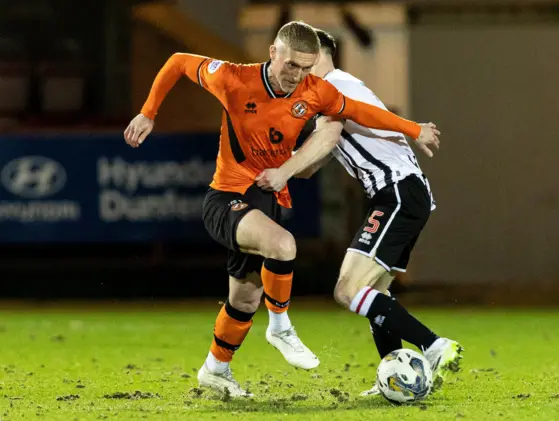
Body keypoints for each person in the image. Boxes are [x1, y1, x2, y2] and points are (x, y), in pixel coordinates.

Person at [123, 21, 441, 398]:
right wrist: (148, 112)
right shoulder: (232, 78)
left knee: (244, 298)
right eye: (291, 65)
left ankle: (215, 369)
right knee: (283, 245)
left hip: (266, 201)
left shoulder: (315, 91)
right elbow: (177, 61)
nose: (297, 76)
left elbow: (361, 112)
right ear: (273, 52)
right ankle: (280, 327)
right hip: (227, 197)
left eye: (306, 68)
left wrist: (413, 129)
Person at [255, 29, 461, 396]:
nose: (296, 70)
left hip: (395, 192)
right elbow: (314, 159)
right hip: (404, 193)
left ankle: (433, 346)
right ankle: (398, 377)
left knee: (348, 290)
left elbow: (327, 140)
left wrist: (282, 169)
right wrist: (281, 167)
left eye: (302, 59)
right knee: (374, 293)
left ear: (317, 54)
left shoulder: (335, 88)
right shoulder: (341, 87)